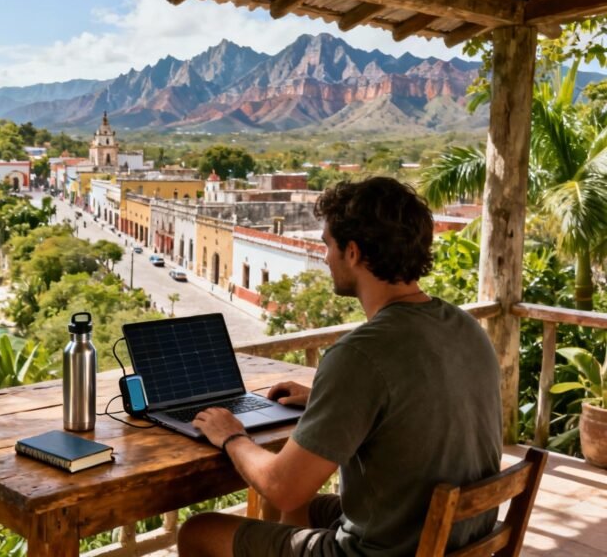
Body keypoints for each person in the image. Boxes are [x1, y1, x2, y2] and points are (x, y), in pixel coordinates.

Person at [178, 177, 502, 557]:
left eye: (327, 245)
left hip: (386, 549)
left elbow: (284, 486)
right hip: (452, 537)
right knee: (283, 508)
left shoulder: (360, 354)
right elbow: (420, 401)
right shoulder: (465, 327)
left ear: (352, 251)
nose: (325, 257)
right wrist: (324, 400)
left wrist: (231, 434)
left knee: (200, 530)